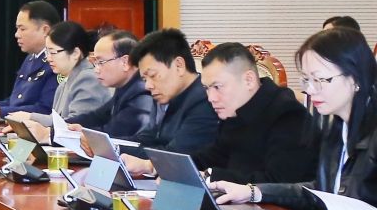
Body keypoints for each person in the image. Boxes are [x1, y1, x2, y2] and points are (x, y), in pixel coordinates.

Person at [215, 27, 377, 210]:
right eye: (306, 80)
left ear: (355, 78)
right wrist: (253, 192)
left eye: (319, 79)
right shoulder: (337, 129)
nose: (310, 90)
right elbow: (323, 193)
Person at [185, 42, 318, 185]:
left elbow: (278, 183)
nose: (211, 98)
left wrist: (210, 176)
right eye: (206, 88)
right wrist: (178, 166)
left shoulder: (288, 115)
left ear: (249, 80)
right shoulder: (234, 109)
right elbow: (215, 156)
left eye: (217, 87)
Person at [122, 28, 220, 174]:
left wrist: (114, 150)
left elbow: (175, 155)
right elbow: (147, 139)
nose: (148, 85)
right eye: (144, 79)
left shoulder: (205, 100)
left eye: (153, 75)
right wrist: (108, 144)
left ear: (179, 66)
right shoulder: (168, 94)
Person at [69, 30, 156, 139]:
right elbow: (96, 117)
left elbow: (115, 134)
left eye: (101, 62)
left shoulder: (143, 93)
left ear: (125, 62)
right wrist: (62, 126)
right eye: (95, 63)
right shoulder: (125, 87)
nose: (96, 69)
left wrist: (78, 134)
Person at [0, 0, 60, 118]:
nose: (17, 34)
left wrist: (0, 112)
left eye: (22, 29)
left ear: (45, 30)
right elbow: (14, 101)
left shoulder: (56, 62)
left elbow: (46, 110)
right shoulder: (31, 58)